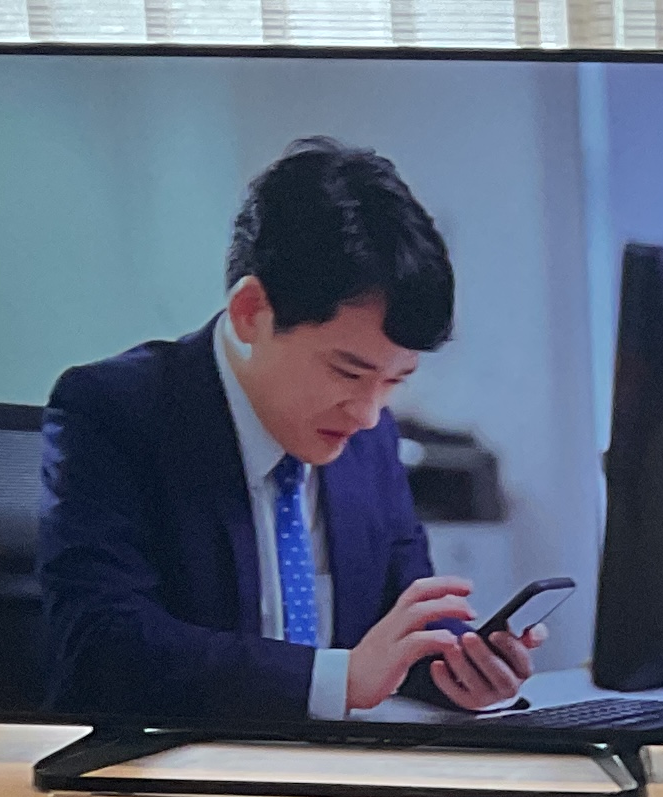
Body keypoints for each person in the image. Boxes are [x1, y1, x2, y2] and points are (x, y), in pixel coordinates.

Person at [39, 138, 538, 727]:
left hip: (341, 771)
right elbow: (102, 646)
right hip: (177, 773)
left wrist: (461, 667)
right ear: (252, 311)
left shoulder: (370, 436)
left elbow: (403, 621)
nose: (368, 414)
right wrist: (336, 680)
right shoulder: (116, 410)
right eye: (347, 372)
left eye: (394, 381)